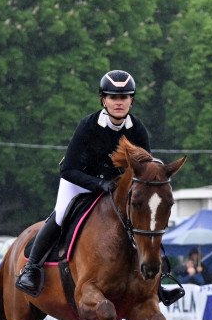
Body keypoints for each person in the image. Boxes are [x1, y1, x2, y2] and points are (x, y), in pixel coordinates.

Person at [14, 70, 184, 306]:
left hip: (116, 190)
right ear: (103, 100)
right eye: (113, 97)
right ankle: (31, 268)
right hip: (79, 182)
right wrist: (98, 184)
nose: (118, 102)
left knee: (143, 220)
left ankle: (158, 283)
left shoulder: (138, 129)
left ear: (131, 100)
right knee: (61, 215)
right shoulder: (89, 126)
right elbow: (68, 170)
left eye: (124, 97)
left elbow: (144, 172)